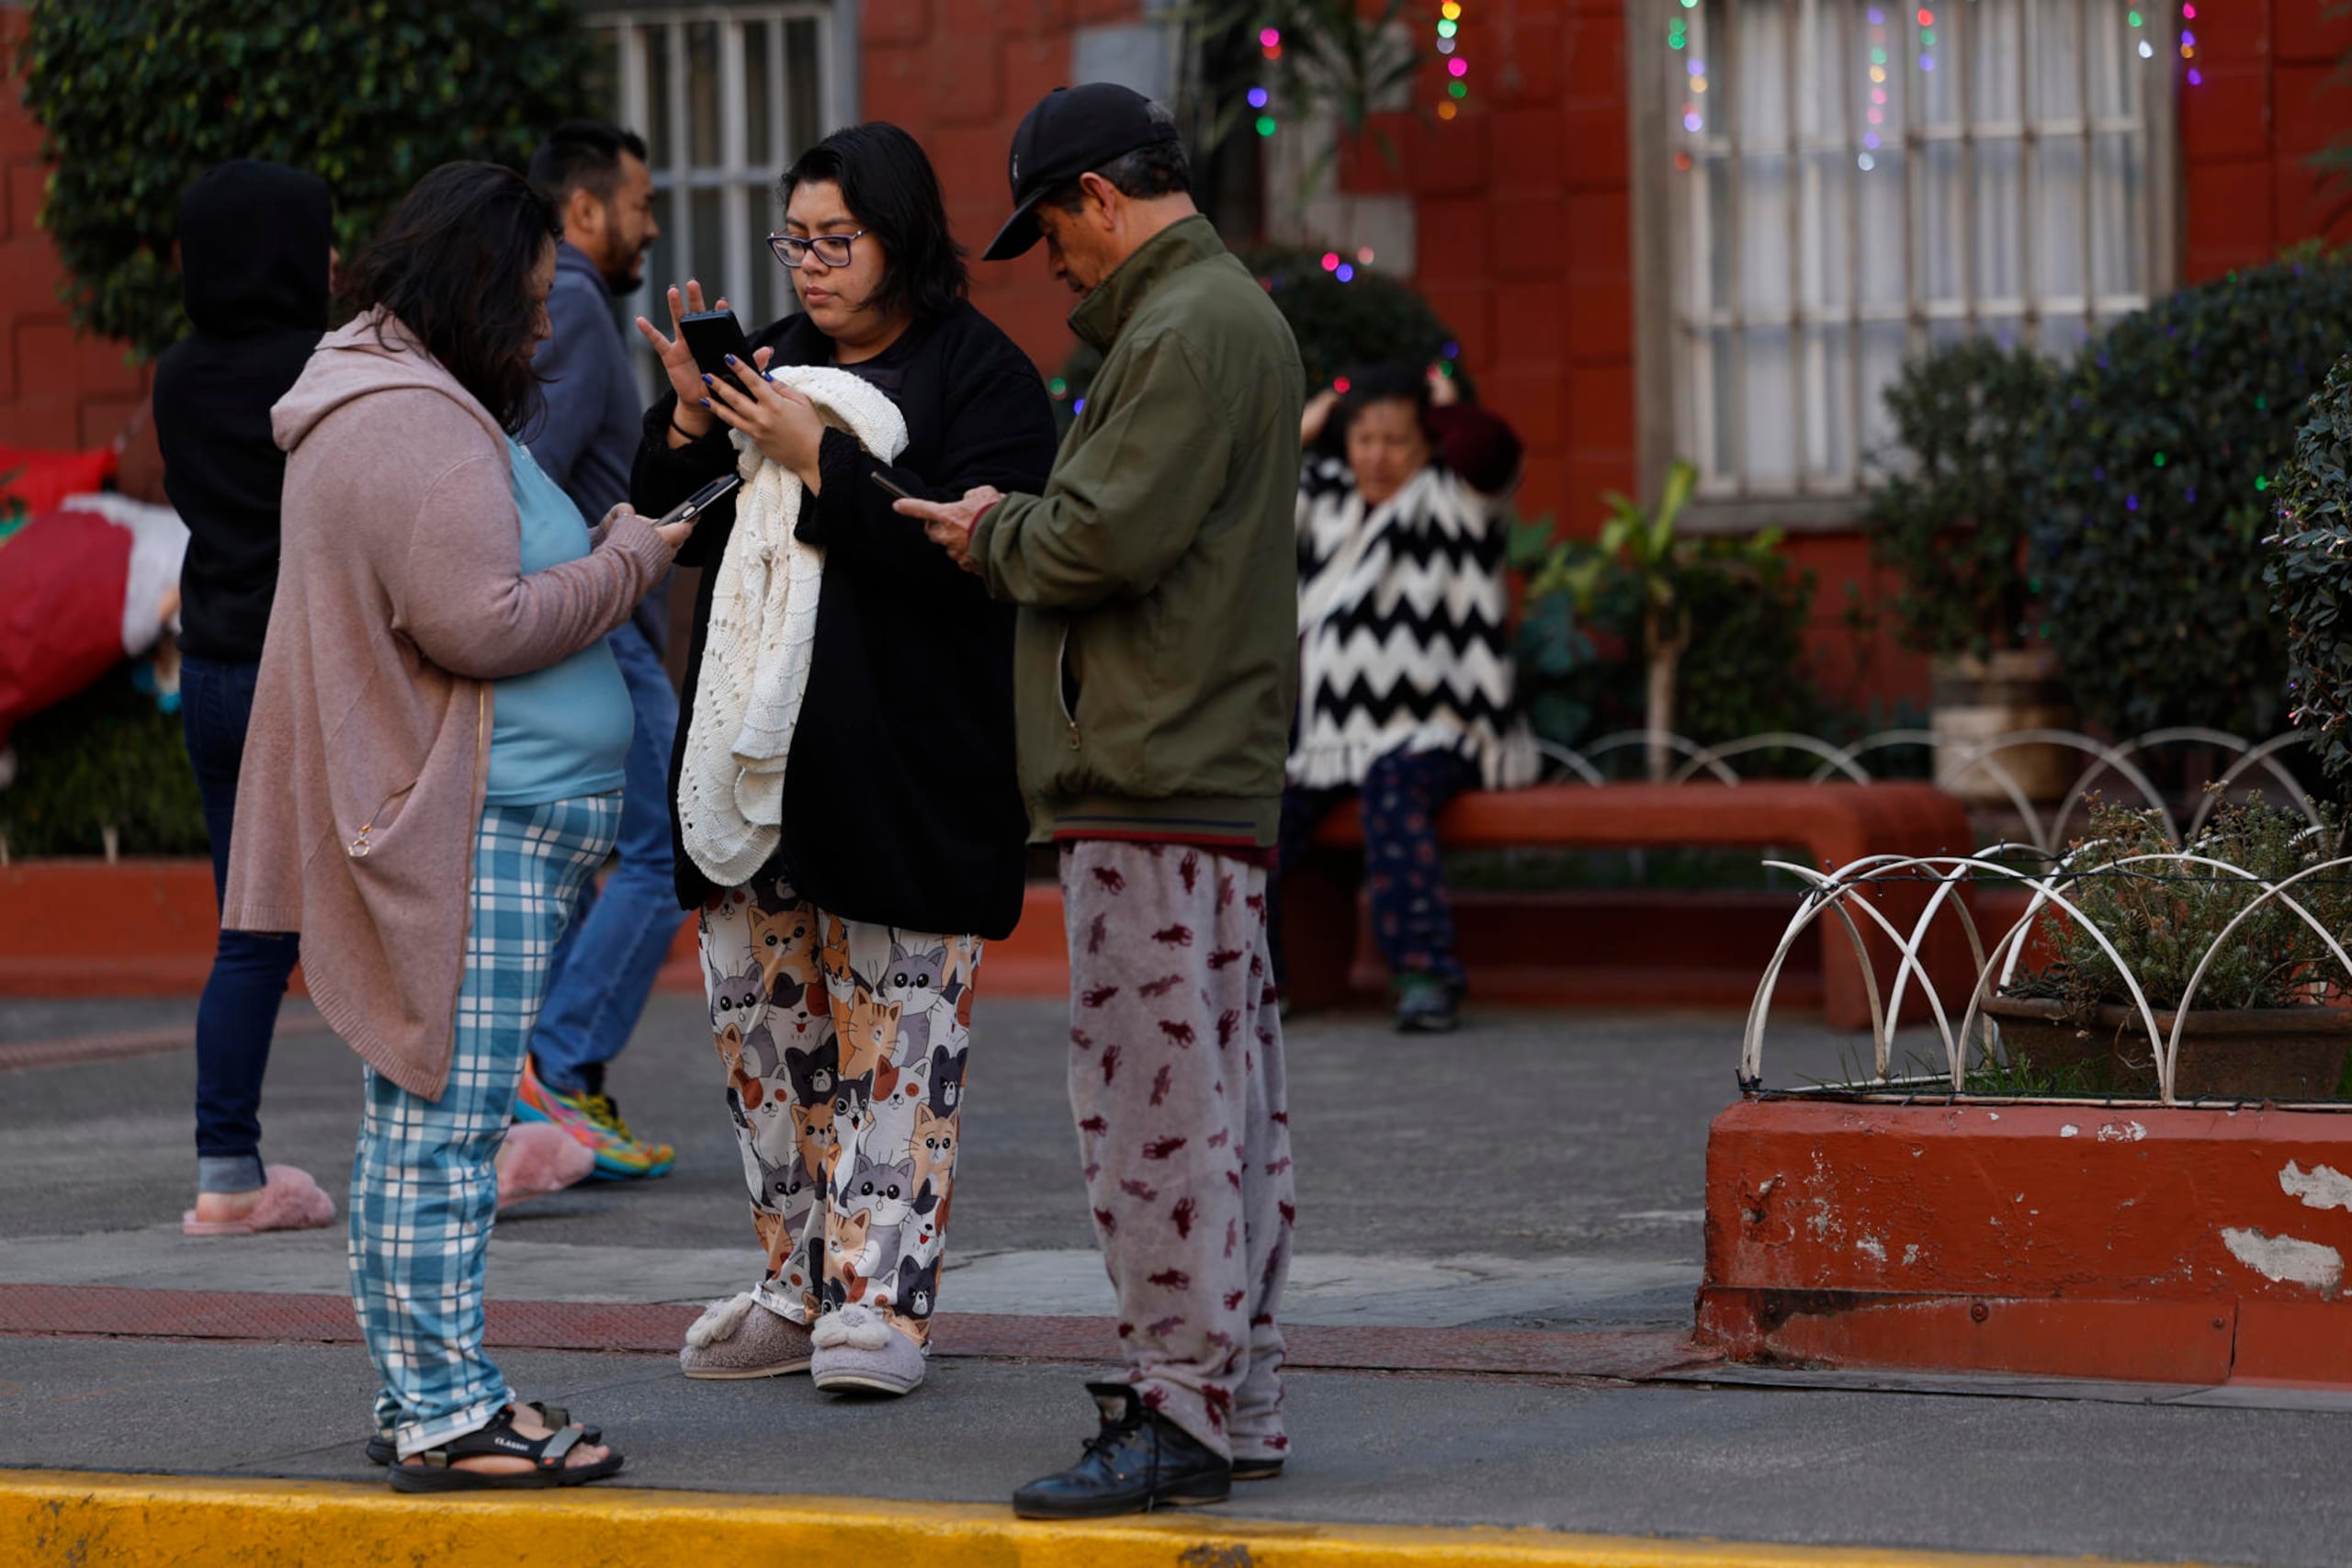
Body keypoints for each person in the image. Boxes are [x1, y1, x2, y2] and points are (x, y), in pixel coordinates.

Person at [223, 162, 690, 1491]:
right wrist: (631, 559)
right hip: (468, 827)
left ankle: (426, 1388)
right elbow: (478, 621)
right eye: (533, 303)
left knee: (423, 1124)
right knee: (445, 1132)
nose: (545, 331)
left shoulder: (380, 397)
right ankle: (447, 1409)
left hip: (468, 819)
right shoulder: (411, 420)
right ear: (476, 288)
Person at [897, 85, 1303, 1518]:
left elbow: (1102, 537)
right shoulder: (1219, 316)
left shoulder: (1186, 328)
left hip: (1153, 767)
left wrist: (988, 528)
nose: (1051, 265)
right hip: (1196, 768)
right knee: (1224, 1104)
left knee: (1153, 1113)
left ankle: (1179, 1408)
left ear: (1094, 199)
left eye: (1049, 232)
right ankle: (1231, 1402)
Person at [629, 121, 1053, 1397]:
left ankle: (881, 1306)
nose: (809, 267)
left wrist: (827, 462)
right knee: (768, 1040)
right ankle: (793, 1282)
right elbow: (676, 525)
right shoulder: (776, 361)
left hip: (908, 766)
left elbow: (964, 559)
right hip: (757, 770)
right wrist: (698, 425)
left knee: (897, 1040)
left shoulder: (983, 378)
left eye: (835, 241)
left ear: (900, 240)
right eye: (794, 240)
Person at [152, 161, 335, 1237]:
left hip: (212, 670)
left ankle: (228, 1165)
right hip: (304, 674)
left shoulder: (178, 374)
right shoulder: (316, 369)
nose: (329, 261)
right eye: (314, 239)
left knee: (248, 931)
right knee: (396, 915)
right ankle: (460, 1136)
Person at [510, 119, 679, 1181]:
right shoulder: (571, 302)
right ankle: (558, 1073)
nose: (650, 226)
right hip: (600, 632)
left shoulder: (564, 302)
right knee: (667, 849)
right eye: (641, 205)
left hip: (596, 629)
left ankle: (539, 1079)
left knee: (589, 859)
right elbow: (528, 470)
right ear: (583, 210)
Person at [1279, 362, 1536, 1033]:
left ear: (1427, 444)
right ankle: (1265, 977)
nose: (1378, 456)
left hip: (1442, 729)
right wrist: (1300, 429)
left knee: (1392, 792)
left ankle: (1425, 973)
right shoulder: (1325, 496)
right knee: (1262, 816)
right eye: (1365, 439)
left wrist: (1450, 408)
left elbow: (1493, 454)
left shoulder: (1457, 497)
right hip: (1329, 744)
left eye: (1397, 439)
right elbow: (1246, 494)